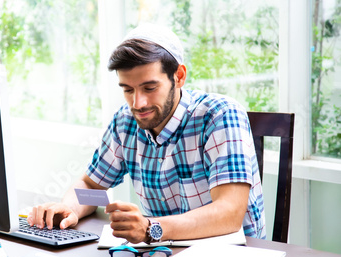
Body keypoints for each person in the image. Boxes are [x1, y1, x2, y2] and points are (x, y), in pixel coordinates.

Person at [28, 23, 265, 244]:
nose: (138, 103)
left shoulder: (220, 115)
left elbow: (229, 213)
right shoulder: (125, 121)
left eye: (149, 88)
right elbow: (91, 188)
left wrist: (151, 228)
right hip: (162, 256)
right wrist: (70, 208)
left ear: (179, 76)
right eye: (128, 90)